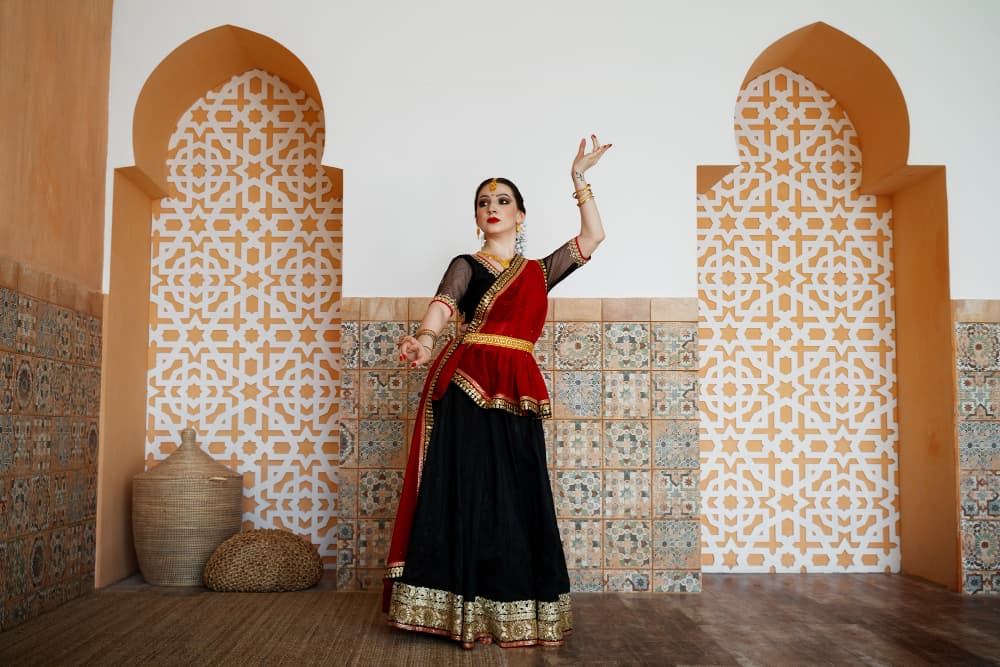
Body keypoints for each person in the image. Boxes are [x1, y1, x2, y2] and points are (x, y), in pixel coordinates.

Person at [382, 135, 611, 648]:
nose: (492, 208)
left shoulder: (537, 272)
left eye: (503, 201)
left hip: (518, 386)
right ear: (477, 216)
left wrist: (580, 178)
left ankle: (512, 606)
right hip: (467, 383)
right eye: (484, 203)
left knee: (517, 490)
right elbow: (443, 307)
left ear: (521, 215)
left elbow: (593, 237)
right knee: (466, 489)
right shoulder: (467, 263)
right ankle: (451, 607)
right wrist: (423, 340)